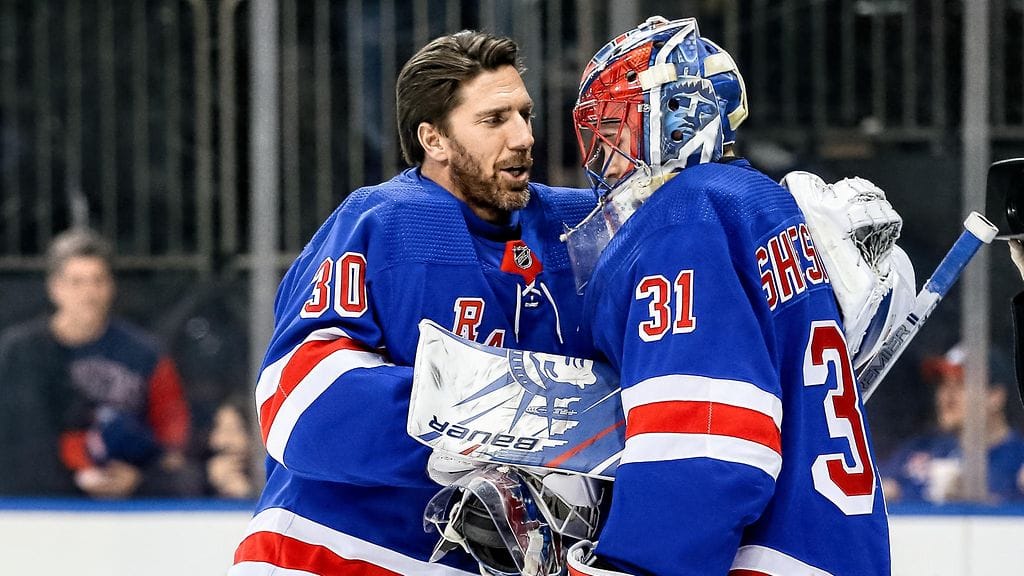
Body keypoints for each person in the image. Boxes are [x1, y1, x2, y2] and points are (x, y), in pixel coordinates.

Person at [228, 30, 597, 575]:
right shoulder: (384, 221)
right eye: (494, 120)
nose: (523, 137)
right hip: (334, 552)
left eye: (525, 114)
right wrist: (489, 435)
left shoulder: (577, 227)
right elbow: (299, 402)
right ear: (434, 139)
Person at [560, 17, 889, 574]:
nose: (605, 163)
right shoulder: (758, 203)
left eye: (614, 133)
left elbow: (710, 442)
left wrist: (637, 563)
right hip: (835, 544)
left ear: (672, 117)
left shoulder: (682, 220)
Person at [0, 228, 200, 498]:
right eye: (77, 282)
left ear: (111, 286)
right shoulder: (20, 352)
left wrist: (139, 477)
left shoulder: (145, 354)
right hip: (42, 498)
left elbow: (173, 438)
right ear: (55, 288)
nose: (89, 293)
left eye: (98, 281)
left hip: (131, 496)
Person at [880, 344, 1024, 504]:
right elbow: (875, 488)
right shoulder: (921, 448)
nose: (947, 395)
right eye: (943, 384)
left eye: (960, 384)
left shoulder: (1019, 459)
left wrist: (979, 502)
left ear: (995, 396)